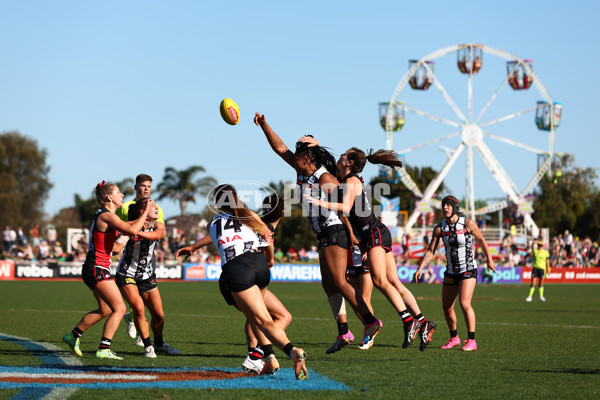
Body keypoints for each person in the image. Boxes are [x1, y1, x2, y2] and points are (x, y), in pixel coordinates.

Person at [255, 112, 383, 351]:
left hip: (336, 230)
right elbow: (280, 148)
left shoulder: (324, 177)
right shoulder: (303, 171)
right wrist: (264, 125)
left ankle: (370, 321)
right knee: (328, 284)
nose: (294, 157)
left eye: (299, 152)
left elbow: (345, 207)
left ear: (307, 156)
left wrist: (353, 234)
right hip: (324, 233)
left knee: (339, 281)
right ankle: (344, 332)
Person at [302, 142, 437, 351]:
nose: (339, 157)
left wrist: (319, 202)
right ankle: (423, 321)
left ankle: (410, 322)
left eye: (343, 155)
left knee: (380, 281)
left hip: (373, 233)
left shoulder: (352, 180)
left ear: (350, 163)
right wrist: (316, 145)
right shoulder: (346, 178)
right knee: (393, 282)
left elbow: (345, 208)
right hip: (373, 234)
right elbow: (328, 164)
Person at [176, 184, 308, 379]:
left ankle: (292, 351)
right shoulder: (250, 214)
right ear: (236, 197)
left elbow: (217, 237)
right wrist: (270, 260)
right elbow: (268, 237)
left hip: (237, 269)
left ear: (217, 204)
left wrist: (193, 247)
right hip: (259, 265)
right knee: (260, 318)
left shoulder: (213, 221)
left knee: (261, 319)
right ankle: (268, 358)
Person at [62, 181, 150, 360]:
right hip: (97, 268)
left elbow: (118, 246)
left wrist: (141, 223)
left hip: (95, 268)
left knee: (105, 310)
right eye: (119, 192)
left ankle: (73, 335)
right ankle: (104, 348)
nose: (122, 195)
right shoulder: (107, 216)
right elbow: (131, 228)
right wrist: (146, 213)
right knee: (119, 308)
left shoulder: (106, 216)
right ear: (109, 197)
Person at [415, 196, 496, 352]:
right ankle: (454, 338)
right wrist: (421, 267)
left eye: (448, 205)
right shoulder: (440, 228)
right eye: (443, 205)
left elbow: (481, 240)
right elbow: (430, 252)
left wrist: (489, 260)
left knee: (464, 303)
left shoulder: (468, 224)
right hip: (451, 271)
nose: (445, 207)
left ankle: (472, 341)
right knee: (446, 307)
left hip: (468, 269)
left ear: (454, 207)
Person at [116, 174, 179, 356]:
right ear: (136, 187)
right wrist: (125, 234)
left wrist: (138, 232)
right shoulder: (126, 208)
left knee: (159, 315)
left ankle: (159, 344)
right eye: (143, 186)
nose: (146, 189)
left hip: (147, 272)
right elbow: (117, 231)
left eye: (149, 186)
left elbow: (159, 233)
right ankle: (148, 346)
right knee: (139, 308)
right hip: (127, 270)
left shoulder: (156, 213)